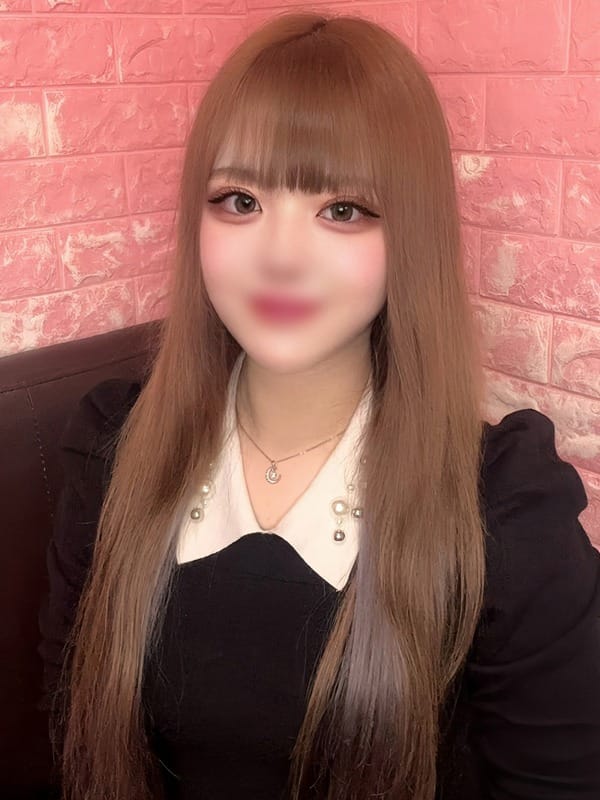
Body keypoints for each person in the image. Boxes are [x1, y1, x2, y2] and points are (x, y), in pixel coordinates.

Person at [37, 10, 600, 800]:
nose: (280, 256)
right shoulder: (111, 453)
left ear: (411, 235)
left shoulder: (505, 510)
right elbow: (71, 739)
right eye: (239, 201)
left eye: (343, 210)